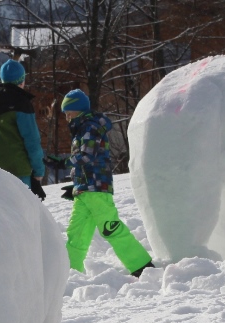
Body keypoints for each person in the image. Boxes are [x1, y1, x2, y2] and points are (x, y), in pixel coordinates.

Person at [59, 89, 155, 276]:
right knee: (76, 232)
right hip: (86, 189)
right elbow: (85, 162)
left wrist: (62, 162)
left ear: (79, 110)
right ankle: (68, 272)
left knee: (110, 227)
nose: (67, 117)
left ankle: (141, 266)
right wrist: (76, 184)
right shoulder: (82, 129)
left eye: (69, 112)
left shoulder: (90, 127)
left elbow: (86, 156)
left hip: (96, 188)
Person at [0, 59, 46, 200]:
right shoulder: (21, 103)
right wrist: (38, 170)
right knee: (22, 214)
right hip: (19, 171)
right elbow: (32, 140)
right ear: (22, 81)